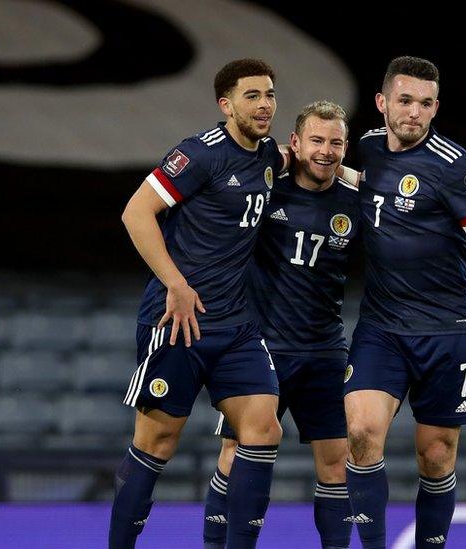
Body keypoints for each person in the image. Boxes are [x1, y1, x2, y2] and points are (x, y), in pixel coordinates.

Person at [343, 56, 466, 549]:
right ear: (382, 103)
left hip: (445, 328)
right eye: (404, 101)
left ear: (436, 107)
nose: (414, 112)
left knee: (436, 455)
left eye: (425, 104)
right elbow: (366, 188)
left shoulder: (457, 167)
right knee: (360, 433)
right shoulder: (369, 149)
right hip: (380, 327)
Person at [111, 58, 288, 549]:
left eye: (269, 94)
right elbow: (136, 212)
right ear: (225, 104)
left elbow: (311, 162)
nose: (264, 104)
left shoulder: (270, 156)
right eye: (251, 95)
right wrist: (176, 283)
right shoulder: (199, 154)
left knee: (263, 430)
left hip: (236, 326)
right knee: (157, 443)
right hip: (177, 321)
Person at [201, 100, 360, 549]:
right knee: (236, 454)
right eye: (315, 140)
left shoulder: (356, 205)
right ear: (295, 143)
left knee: (336, 465)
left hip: (325, 352)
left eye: (335, 142)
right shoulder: (266, 191)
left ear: (346, 147)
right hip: (260, 350)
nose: (325, 151)